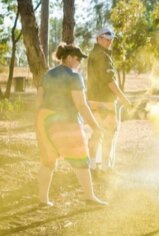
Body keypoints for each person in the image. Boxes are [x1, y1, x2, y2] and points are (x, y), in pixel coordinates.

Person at [35, 43, 107, 206]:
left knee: (48, 161)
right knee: (81, 159)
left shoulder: (47, 75)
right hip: (65, 121)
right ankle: (90, 197)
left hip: (44, 120)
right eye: (77, 59)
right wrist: (95, 126)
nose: (79, 62)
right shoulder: (74, 77)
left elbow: (39, 99)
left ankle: (43, 200)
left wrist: (43, 119)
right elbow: (81, 105)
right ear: (67, 58)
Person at [87, 27, 131, 172]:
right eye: (105, 39)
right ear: (98, 39)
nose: (108, 42)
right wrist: (123, 98)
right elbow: (109, 81)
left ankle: (92, 165)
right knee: (108, 134)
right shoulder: (103, 56)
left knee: (96, 132)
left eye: (110, 40)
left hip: (93, 100)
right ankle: (105, 167)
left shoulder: (93, 53)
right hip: (105, 101)